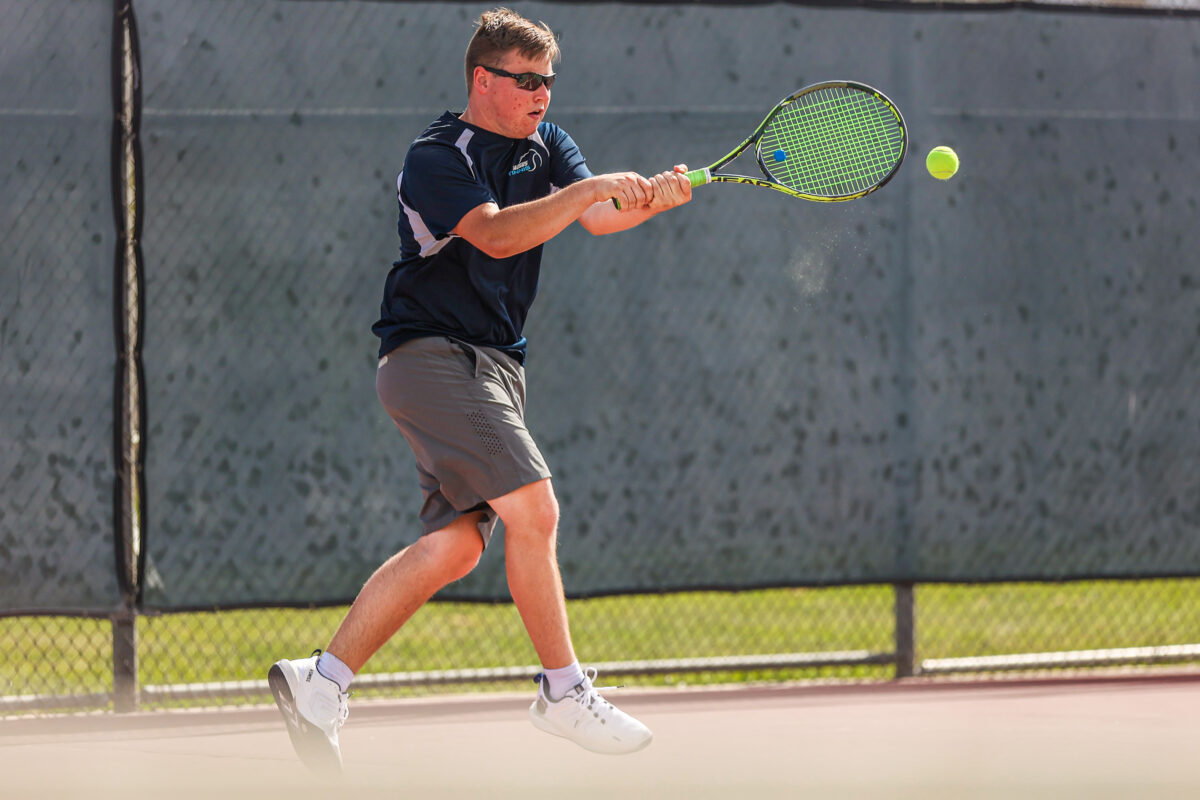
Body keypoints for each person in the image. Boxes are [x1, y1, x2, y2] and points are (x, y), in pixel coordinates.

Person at [267, 7, 692, 772]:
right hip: (434, 354)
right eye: (527, 81)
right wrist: (592, 188)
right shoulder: (437, 155)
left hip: (494, 365)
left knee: (457, 546)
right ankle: (562, 691)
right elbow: (496, 233)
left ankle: (320, 683)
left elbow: (594, 217)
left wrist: (648, 199)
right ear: (482, 79)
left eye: (550, 83)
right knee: (537, 507)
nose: (543, 97)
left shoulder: (547, 144)